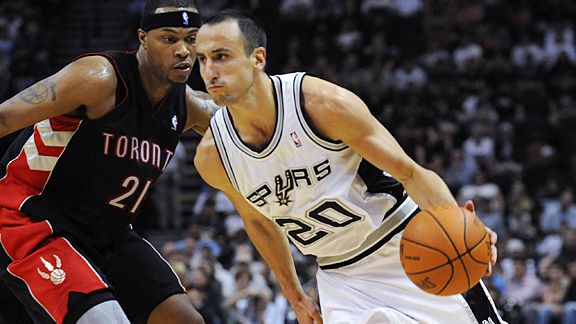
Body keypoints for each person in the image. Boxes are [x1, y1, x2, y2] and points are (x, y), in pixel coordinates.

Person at [193, 9, 506, 324]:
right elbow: (258, 222)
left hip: (407, 245)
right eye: (202, 59)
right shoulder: (213, 157)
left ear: (257, 58)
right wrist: (295, 295)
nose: (210, 71)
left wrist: (460, 227)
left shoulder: (321, 105)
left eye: (221, 56)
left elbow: (409, 172)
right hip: (339, 277)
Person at [0, 0, 220, 323]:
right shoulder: (99, 78)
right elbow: (5, 117)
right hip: (32, 218)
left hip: (108, 233)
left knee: (187, 321)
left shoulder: (188, 106)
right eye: (169, 38)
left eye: (191, 39)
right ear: (143, 38)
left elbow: (246, 129)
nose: (183, 50)